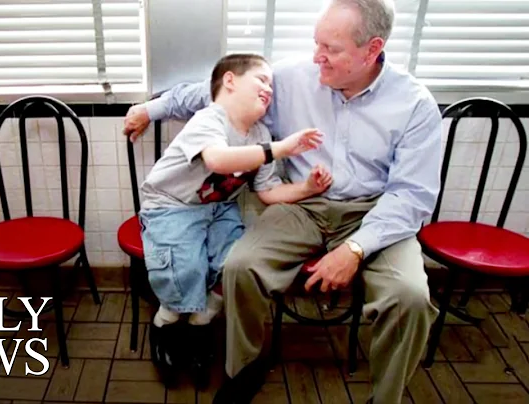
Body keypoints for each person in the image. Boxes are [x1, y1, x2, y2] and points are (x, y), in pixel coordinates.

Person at [124, 0, 442, 403]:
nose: (316, 57)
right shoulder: (294, 77)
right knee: (240, 266)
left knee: (412, 298)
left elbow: (411, 196)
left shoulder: (415, 104)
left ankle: (385, 398)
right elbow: (219, 93)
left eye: (331, 49)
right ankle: (245, 370)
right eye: (316, 44)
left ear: (372, 49)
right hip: (303, 205)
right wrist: (149, 109)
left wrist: (355, 249)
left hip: (375, 213)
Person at [139, 53, 332, 388]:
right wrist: (280, 149)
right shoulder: (209, 119)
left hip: (217, 209)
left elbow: (268, 191)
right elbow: (217, 159)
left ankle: (201, 326)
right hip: (170, 206)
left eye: (271, 85)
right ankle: (164, 325)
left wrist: (306, 188)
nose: (268, 89)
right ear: (229, 81)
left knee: (234, 265)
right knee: (184, 270)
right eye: (261, 80)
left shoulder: (261, 133)